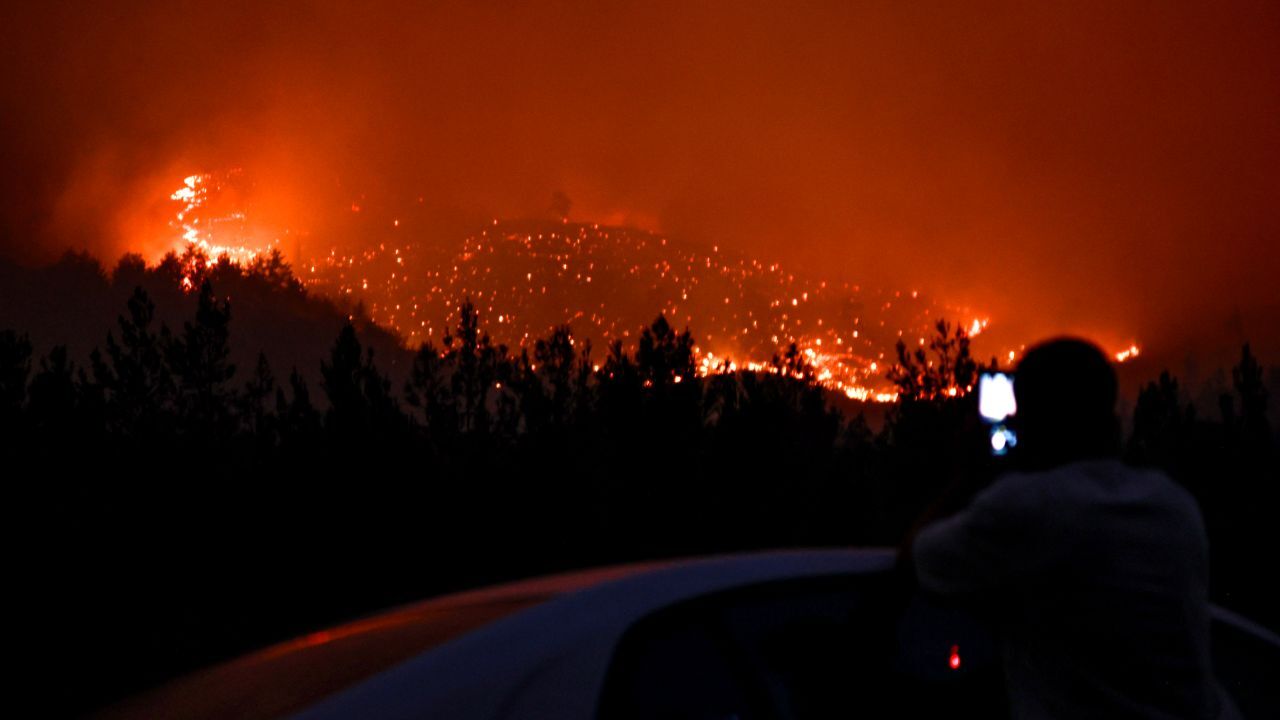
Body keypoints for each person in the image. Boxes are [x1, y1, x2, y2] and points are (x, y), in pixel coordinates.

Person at [909, 338, 1238, 719]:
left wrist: (968, 476)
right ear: (1111, 420)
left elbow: (920, 560)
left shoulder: (1029, 507)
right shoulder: (1174, 505)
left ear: (1028, 420)